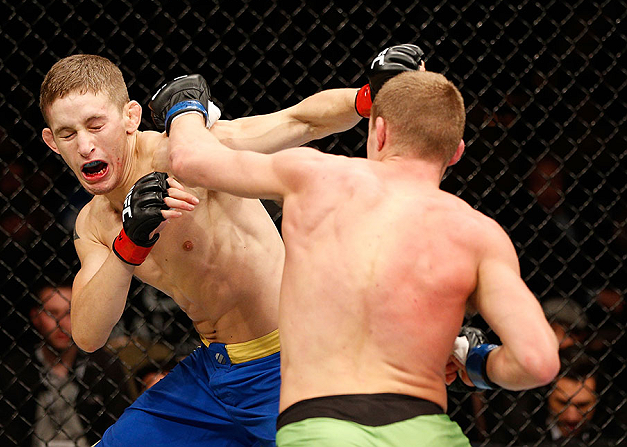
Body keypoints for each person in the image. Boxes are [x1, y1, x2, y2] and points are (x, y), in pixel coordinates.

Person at [159, 69, 561, 446]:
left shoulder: (314, 178)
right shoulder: (479, 234)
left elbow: (190, 161)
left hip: (323, 428)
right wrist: (477, 365)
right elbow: (538, 360)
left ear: (379, 131)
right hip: (426, 431)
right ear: (455, 153)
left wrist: (185, 105)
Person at [39, 48, 416, 446]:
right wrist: (129, 243)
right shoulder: (94, 222)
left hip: (295, 362)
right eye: (68, 134)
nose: (84, 146)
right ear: (51, 142)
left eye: (96, 125)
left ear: (131, 118)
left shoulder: (187, 152)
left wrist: (371, 98)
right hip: (213, 376)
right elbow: (88, 333)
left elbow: (298, 121)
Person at [0, 282, 131, 446]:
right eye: (52, 313)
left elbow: (121, 429)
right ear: (36, 316)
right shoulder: (15, 369)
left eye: (70, 312)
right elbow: (3, 435)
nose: (62, 323)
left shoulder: (105, 366)